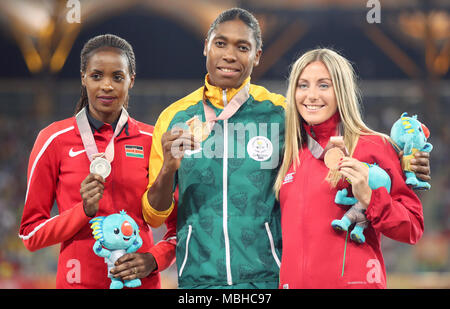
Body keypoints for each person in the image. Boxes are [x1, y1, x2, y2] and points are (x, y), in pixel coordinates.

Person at [142, 8, 431, 289]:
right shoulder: (174, 119)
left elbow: (344, 137)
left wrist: (410, 158)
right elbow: (155, 216)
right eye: (220, 43)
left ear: (257, 55)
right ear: (206, 46)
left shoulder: (279, 114)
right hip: (199, 280)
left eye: (242, 46)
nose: (229, 55)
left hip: (269, 277)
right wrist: (169, 167)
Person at [19, 34, 176, 289]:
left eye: (117, 76)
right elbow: (30, 234)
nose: (107, 86)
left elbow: (180, 229)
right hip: (76, 283)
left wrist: (153, 260)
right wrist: (82, 212)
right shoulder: (53, 140)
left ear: (131, 80)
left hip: (141, 284)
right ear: (83, 78)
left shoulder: (153, 140)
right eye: (96, 76)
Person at [274, 48, 426, 289]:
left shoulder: (375, 145)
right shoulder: (289, 154)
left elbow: (412, 227)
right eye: (303, 85)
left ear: (341, 91)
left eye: (324, 85)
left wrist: (371, 198)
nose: (311, 95)